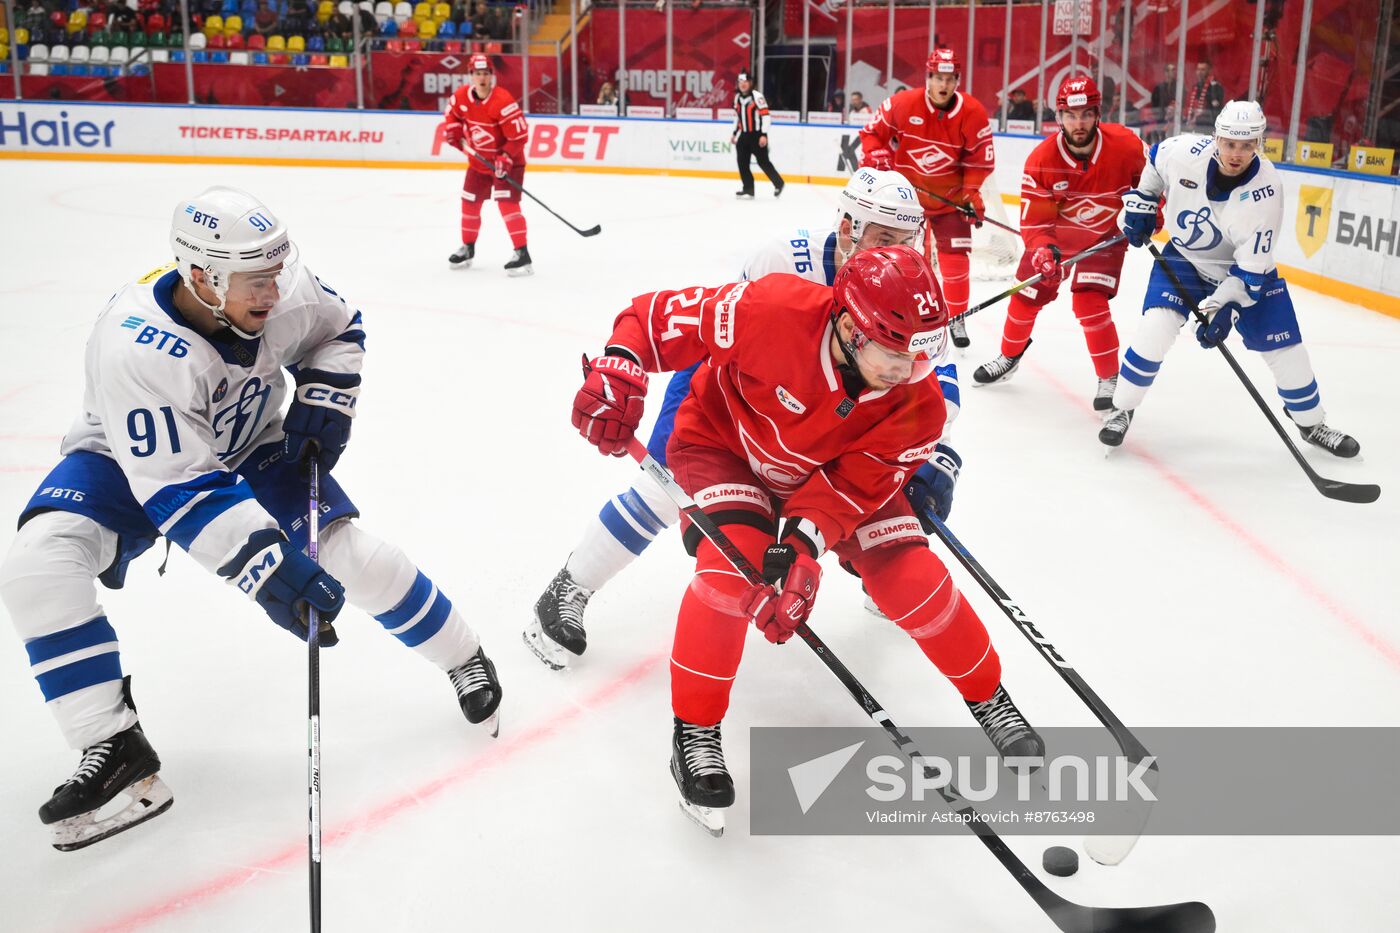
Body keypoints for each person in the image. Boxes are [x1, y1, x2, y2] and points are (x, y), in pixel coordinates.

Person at [0, 187, 503, 852]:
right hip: (126, 460)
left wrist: (327, 393)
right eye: (254, 280)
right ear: (202, 276)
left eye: (275, 271)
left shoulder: (283, 290)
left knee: (346, 554)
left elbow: (339, 324)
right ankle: (112, 745)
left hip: (251, 444)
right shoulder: (135, 347)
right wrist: (266, 566)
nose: (273, 291)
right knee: (40, 561)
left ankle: (464, 654)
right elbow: (180, 486)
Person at [566, 245, 1042, 833]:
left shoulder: (917, 405)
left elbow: (849, 489)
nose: (907, 369)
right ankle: (694, 732)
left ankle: (987, 696)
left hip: (830, 476)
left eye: (920, 353)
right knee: (728, 579)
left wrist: (801, 549)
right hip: (727, 451)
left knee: (912, 577)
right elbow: (651, 319)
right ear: (847, 326)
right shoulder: (770, 308)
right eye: (893, 352)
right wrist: (621, 365)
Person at [526, 169, 961, 670]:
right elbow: (714, 333)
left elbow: (932, 386)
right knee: (667, 489)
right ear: (849, 228)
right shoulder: (785, 257)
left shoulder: (914, 283)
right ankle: (571, 584)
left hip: (844, 419)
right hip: (746, 396)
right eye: (885, 238)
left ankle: (880, 579)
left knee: (876, 495)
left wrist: (938, 458)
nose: (900, 252)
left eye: (909, 240)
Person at [1101, 101, 1360, 457]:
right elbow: (1156, 159)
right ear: (1216, 138)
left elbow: (1249, 274)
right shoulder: (1183, 153)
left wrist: (1222, 311)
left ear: (1258, 144)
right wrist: (1144, 199)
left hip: (1243, 275)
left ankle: (1312, 424)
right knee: (1154, 330)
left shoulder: (1266, 193)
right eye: (1229, 143)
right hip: (1186, 260)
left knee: (1287, 353)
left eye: (1247, 145)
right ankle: (1122, 408)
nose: (1236, 154)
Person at [972, 76, 1148, 411]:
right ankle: (1009, 356)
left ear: (1098, 113)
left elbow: (1152, 188)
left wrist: (1152, 215)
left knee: (1090, 303)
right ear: (1060, 117)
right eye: (1071, 115)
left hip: (1105, 238)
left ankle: (1110, 378)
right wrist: (1042, 251)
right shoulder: (1042, 159)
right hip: (1056, 241)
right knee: (1025, 295)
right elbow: (1036, 223)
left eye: (1085, 114)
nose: (1078, 123)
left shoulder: (1126, 146)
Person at [859, 47, 994, 351]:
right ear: (928, 77)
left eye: (950, 79)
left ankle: (957, 316)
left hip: (950, 199)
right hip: (905, 199)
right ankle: (902, 310)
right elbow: (871, 133)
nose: (943, 85)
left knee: (955, 261)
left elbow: (979, 161)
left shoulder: (972, 112)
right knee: (900, 259)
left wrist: (971, 192)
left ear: (957, 80)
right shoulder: (903, 103)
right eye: (938, 78)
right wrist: (874, 154)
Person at [439, 53, 533, 276]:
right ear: (471, 75)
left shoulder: (502, 100)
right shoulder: (461, 97)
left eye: (486, 74)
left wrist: (507, 156)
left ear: (492, 76)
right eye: (477, 73)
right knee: (469, 204)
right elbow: (451, 116)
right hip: (479, 163)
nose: (482, 78)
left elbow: (520, 135)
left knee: (507, 206)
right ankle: (468, 248)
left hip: (508, 163)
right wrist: (452, 130)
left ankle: (522, 253)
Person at [731, 69, 785, 199]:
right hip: (743, 136)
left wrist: (763, 134)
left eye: (745, 81)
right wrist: (734, 133)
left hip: (757, 135)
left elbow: (766, 116)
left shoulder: (757, 96)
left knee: (763, 162)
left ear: (750, 83)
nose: (743, 84)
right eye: (740, 82)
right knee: (742, 162)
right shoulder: (737, 98)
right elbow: (738, 117)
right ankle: (748, 188)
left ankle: (779, 183)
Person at [1184, 61, 1225, 131]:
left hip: (1207, 125)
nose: (1200, 72)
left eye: (1203, 70)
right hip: (1193, 125)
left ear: (1209, 71)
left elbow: (1216, 108)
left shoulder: (1215, 87)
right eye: (1198, 69)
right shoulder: (1195, 87)